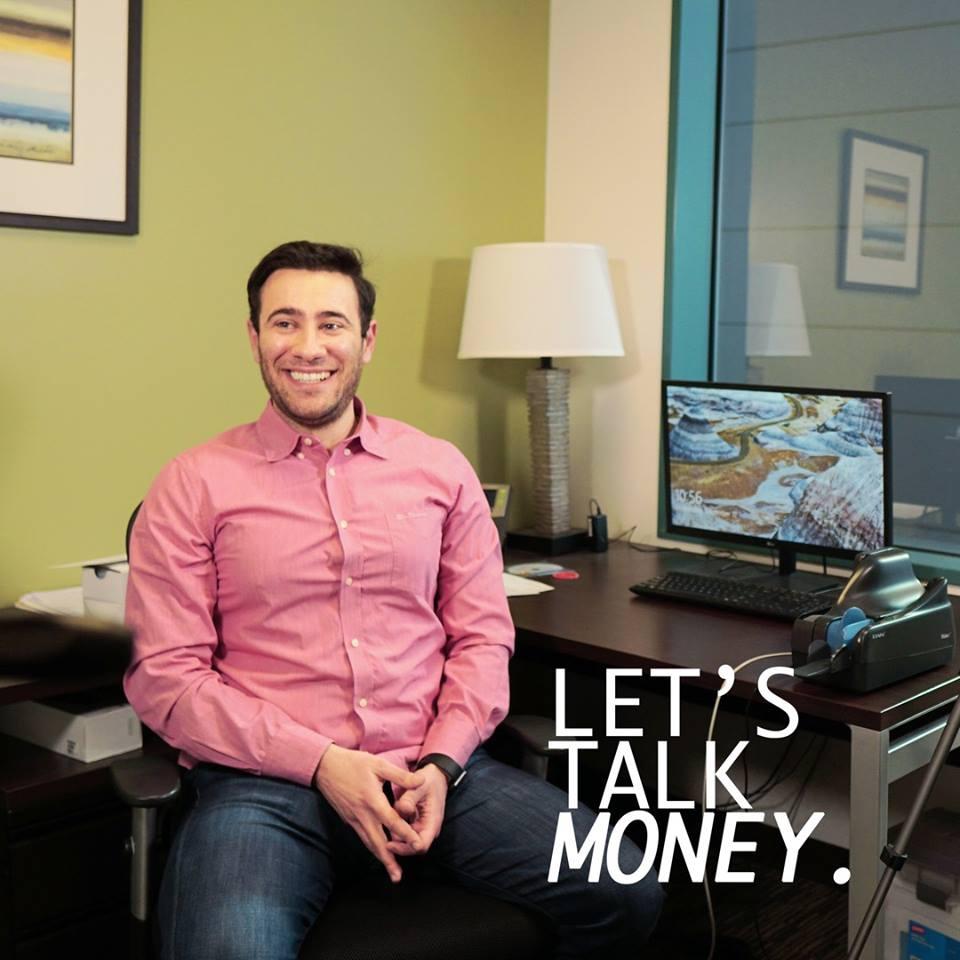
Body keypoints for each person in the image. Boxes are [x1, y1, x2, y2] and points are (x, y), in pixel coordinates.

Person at [124, 240, 663, 959]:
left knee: (625, 888)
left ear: (367, 339)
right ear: (254, 337)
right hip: (263, 787)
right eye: (284, 322)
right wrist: (321, 762)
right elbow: (164, 677)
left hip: (430, 773)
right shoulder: (193, 483)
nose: (308, 346)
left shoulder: (439, 469)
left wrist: (443, 761)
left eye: (331, 323)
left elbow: (482, 639)